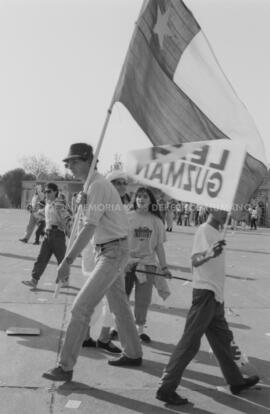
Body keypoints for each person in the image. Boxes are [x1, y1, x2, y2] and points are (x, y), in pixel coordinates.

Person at [43, 142, 142, 382]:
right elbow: (88, 222)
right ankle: (134, 353)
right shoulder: (92, 186)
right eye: (68, 163)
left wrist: (67, 260)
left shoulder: (97, 185)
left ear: (90, 160)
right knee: (119, 306)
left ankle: (65, 367)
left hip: (113, 251)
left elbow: (89, 226)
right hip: (108, 249)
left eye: (75, 161)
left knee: (81, 307)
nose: (70, 166)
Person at [156, 209, 259, 405]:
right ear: (210, 207)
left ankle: (235, 381)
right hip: (205, 294)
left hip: (215, 295)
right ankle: (166, 386)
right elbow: (194, 260)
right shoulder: (204, 230)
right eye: (221, 208)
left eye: (226, 208)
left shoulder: (217, 231)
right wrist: (209, 253)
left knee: (223, 340)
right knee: (190, 342)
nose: (224, 211)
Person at [125, 186, 172, 343]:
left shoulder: (157, 221)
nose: (141, 199)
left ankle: (140, 330)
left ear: (151, 200)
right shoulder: (127, 216)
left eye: (145, 196)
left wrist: (164, 267)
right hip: (127, 264)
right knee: (122, 297)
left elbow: (159, 246)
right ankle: (116, 327)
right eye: (139, 196)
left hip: (148, 265)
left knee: (143, 299)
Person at [22, 183, 72, 289]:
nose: (46, 193)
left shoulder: (59, 204)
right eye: (45, 192)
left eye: (49, 191)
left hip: (58, 234)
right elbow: (39, 215)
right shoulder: (48, 204)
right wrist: (31, 210)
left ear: (55, 192)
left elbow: (68, 217)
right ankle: (34, 280)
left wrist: (68, 229)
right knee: (41, 258)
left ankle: (65, 280)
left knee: (62, 260)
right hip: (48, 234)